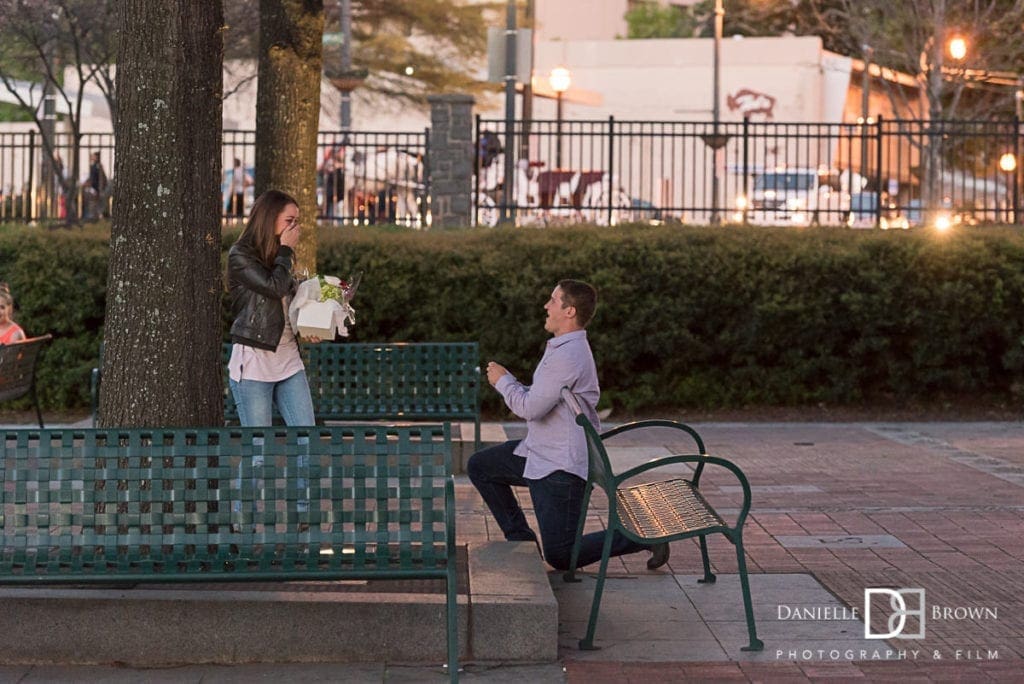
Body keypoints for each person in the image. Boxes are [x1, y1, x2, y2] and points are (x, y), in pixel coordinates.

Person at [467, 280, 668, 571]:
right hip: (538, 454)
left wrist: (503, 381)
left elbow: (529, 408)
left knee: (562, 555)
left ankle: (643, 536)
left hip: (559, 467)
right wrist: (512, 382)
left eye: (552, 300)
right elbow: (539, 397)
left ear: (569, 310)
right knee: (481, 466)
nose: (545, 306)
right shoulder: (563, 348)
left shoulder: (568, 355)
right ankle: (522, 543)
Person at [84, 151, 108, 220]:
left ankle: (96, 215)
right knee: (93, 202)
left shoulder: (98, 166)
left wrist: (100, 188)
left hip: (96, 187)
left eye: (94, 156)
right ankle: (95, 215)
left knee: (95, 202)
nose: (92, 157)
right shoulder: (93, 166)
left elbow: (100, 178)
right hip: (94, 187)